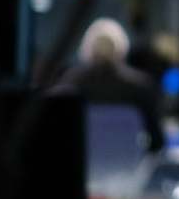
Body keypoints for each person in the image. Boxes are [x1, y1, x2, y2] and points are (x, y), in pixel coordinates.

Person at [58, 17, 165, 151]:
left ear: (87, 48)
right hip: (128, 165)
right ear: (121, 48)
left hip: (81, 165)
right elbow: (157, 141)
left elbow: (59, 133)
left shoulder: (71, 82)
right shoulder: (140, 86)